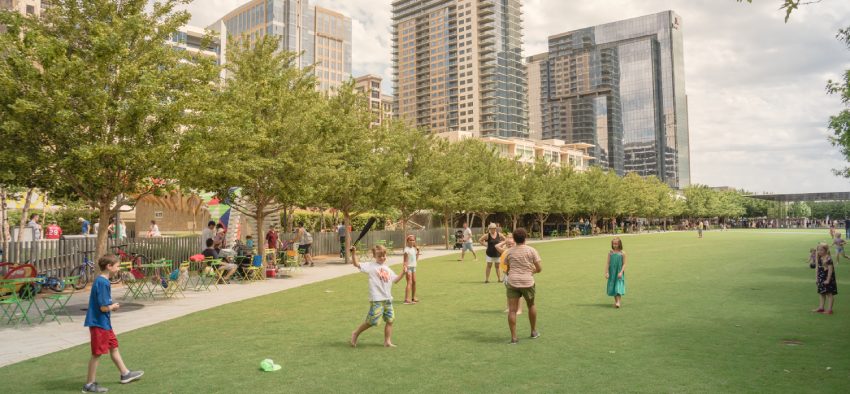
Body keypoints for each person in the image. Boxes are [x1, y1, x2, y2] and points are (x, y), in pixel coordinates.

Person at [82, 254, 143, 392]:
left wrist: (110, 307)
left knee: (113, 347)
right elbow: (103, 307)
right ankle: (89, 384)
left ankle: (125, 374)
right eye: (117, 266)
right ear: (109, 267)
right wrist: (113, 307)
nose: (118, 268)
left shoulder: (101, 281)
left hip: (104, 323)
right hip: (99, 324)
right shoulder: (103, 283)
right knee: (97, 353)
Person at [349, 245, 406, 348]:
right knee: (372, 321)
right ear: (374, 256)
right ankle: (355, 333)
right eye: (380, 256)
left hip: (387, 299)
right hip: (377, 299)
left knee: (390, 320)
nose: (383, 257)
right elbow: (356, 264)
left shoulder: (387, 268)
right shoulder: (371, 266)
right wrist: (353, 253)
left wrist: (403, 272)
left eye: (384, 255)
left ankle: (387, 341)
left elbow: (396, 280)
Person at [502, 228, 541, 344]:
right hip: (527, 282)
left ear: (514, 239)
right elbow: (539, 268)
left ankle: (514, 338)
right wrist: (531, 272)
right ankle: (533, 331)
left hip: (513, 282)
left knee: (512, 310)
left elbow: (507, 270)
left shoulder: (509, 252)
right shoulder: (531, 250)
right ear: (525, 237)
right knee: (531, 305)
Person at [496, 234, 521, 315]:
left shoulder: (517, 250)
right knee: (508, 292)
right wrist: (505, 241)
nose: (509, 245)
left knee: (518, 293)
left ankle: (519, 309)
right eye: (508, 244)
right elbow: (496, 246)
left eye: (511, 243)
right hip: (506, 274)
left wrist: (511, 241)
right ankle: (509, 307)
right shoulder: (505, 251)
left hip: (515, 274)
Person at [813, 243, 837, 315]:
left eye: (821, 250)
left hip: (827, 278)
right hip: (821, 278)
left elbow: (830, 270)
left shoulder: (828, 258)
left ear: (826, 250)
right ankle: (821, 308)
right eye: (818, 250)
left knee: (829, 294)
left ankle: (829, 310)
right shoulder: (819, 257)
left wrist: (828, 280)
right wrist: (816, 278)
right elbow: (817, 268)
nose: (819, 251)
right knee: (821, 293)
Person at [605, 237, 627, 308]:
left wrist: (621, 272)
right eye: (613, 244)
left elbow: (624, 264)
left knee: (618, 286)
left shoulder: (622, 253)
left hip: (619, 272)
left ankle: (618, 302)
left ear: (619, 244)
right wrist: (607, 272)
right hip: (612, 272)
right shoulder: (610, 253)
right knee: (613, 286)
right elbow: (608, 263)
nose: (615, 245)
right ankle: (616, 302)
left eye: (616, 244)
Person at [402, 235, 420, 305]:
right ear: (407, 241)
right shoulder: (406, 249)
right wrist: (405, 267)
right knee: (409, 282)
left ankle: (413, 297)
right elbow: (405, 260)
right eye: (410, 240)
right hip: (408, 267)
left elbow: (416, 259)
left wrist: (418, 251)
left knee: (414, 281)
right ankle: (406, 299)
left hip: (413, 267)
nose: (412, 241)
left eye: (413, 240)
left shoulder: (413, 249)